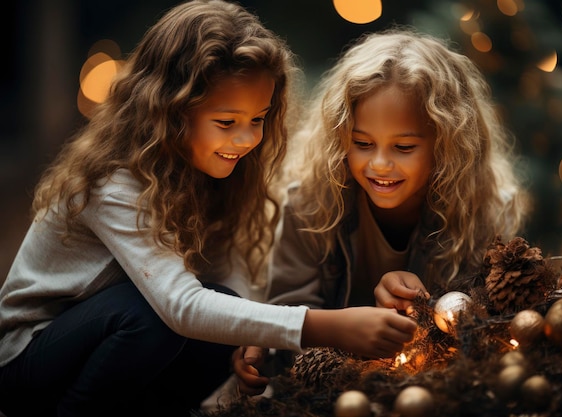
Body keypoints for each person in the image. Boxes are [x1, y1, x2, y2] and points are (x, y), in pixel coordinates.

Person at [0, 3, 418, 416]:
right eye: (226, 122)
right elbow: (180, 305)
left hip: (115, 350)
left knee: (221, 306)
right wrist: (325, 326)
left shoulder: (217, 171)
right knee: (149, 314)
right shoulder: (113, 183)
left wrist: (250, 344)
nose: (246, 139)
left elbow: (223, 276)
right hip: (28, 359)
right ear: (170, 108)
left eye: (258, 119)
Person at [234, 27, 531, 395]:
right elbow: (284, 320)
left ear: (448, 145)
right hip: (325, 392)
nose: (379, 164)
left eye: (403, 147)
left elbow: (486, 329)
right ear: (341, 136)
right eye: (362, 143)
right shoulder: (310, 203)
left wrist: (425, 310)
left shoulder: (483, 214)